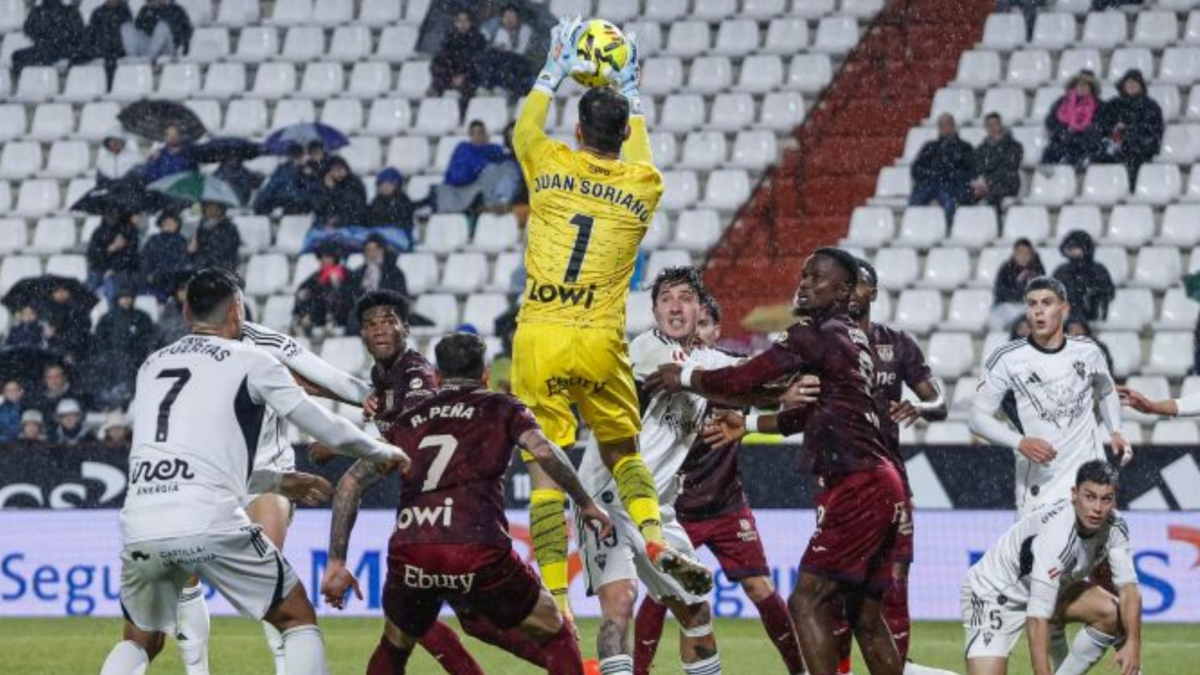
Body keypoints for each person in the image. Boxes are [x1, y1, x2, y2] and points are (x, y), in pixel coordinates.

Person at [96, 267, 408, 675]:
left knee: (139, 640)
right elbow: (319, 421)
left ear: (187, 311)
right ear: (238, 308)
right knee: (295, 616)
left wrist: (277, 480)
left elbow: (194, 452)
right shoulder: (253, 359)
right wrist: (382, 449)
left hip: (143, 516)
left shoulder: (153, 364)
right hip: (210, 507)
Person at [512, 19, 708, 625]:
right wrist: (633, 90)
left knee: (546, 464)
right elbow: (642, 150)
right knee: (625, 452)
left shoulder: (545, 162)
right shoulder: (642, 183)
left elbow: (525, 125)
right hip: (599, 337)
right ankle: (652, 536)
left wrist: (551, 67)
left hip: (542, 330)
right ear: (623, 133)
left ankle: (558, 596)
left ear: (575, 130)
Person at [646, 248, 908, 675]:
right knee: (865, 618)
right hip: (884, 482)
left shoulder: (816, 334)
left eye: (817, 279)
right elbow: (808, 410)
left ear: (842, 291)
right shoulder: (850, 338)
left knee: (806, 601)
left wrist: (686, 377)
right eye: (803, 276)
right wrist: (748, 424)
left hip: (858, 484)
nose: (804, 284)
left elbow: (746, 377)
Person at [322, 332, 609, 675]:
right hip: (477, 546)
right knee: (557, 634)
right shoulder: (501, 406)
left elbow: (351, 482)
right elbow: (544, 450)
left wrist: (337, 560)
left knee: (395, 645)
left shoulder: (409, 418)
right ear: (485, 374)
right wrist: (586, 503)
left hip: (415, 549)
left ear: (438, 377)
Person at [171, 311, 377, 675]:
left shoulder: (269, 344)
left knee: (266, 571)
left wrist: (372, 397)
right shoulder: (181, 355)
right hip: (210, 476)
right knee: (184, 572)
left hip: (268, 476)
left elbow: (328, 377)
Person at [633, 291, 805, 675]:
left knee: (760, 588)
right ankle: (639, 670)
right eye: (697, 325)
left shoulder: (736, 375)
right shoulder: (668, 375)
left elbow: (776, 393)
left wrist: (789, 391)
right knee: (662, 594)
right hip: (676, 507)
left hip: (726, 504)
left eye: (707, 325)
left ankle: (800, 669)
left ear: (716, 329)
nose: (699, 333)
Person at [575, 268, 733, 675]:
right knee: (620, 605)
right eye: (666, 298)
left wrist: (782, 387)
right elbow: (733, 382)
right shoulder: (642, 352)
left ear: (700, 309)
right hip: (605, 497)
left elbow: (743, 377)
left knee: (696, 612)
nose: (676, 306)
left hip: (657, 508)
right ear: (654, 310)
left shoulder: (709, 362)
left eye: (685, 297)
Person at [968, 276, 1131, 516]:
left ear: (1064, 309)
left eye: (1046, 303)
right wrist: (1020, 442)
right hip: (1039, 484)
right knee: (1037, 553)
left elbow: (1106, 391)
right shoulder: (1006, 359)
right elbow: (976, 418)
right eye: (1032, 304)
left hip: (1088, 479)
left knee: (1105, 552)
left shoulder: (1088, 351)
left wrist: (1115, 430)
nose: (1038, 311)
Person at [961, 460, 1141, 675]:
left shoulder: (1116, 527)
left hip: (1053, 589)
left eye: (1106, 499)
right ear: (1074, 494)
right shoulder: (1057, 536)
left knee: (1112, 612)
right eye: (1090, 496)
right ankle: (911, 670)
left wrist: (1133, 644)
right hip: (995, 594)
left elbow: (1129, 588)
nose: (1097, 508)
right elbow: (1037, 618)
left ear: (1114, 500)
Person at [90, 285, 156, 408]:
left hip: (136, 358)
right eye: (122, 298)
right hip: (111, 357)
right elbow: (99, 339)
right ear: (117, 300)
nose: (125, 300)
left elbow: (149, 337)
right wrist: (109, 352)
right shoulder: (107, 317)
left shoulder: (142, 317)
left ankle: (130, 399)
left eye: (128, 297)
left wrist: (137, 351)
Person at [1097, 69, 1164, 184]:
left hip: (1139, 150)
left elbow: (1153, 131)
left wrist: (1129, 135)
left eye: (1135, 83)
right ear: (1123, 86)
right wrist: (1112, 136)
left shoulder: (1150, 106)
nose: (1131, 86)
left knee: (1131, 162)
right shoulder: (1113, 104)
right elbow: (1101, 126)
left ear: (1141, 86)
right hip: (1113, 148)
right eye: (1128, 83)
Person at [909, 113, 973, 222]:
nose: (945, 128)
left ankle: (945, 229)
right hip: (930, 184)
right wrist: (930, 178)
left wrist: (949, 177)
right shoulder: (929, 147)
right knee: (915, 203)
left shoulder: (964, 148)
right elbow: (916, 169)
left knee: (949, 204)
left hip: (953, 186)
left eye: (947, 124)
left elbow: (969, 171)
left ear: (953, 126)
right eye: (941, 125)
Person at [435, 120, 507, 213]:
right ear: (470, 135)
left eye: (480, 132)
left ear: (485, 134)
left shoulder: (493, 149)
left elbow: (501, 164)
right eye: (473, 133)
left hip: (476, 186)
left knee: (492, 170)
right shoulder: (463, 147)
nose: (477, 136)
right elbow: (456, 171)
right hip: (454, 186)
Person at [1042, 72, 1104, 171]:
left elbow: (1101, 125)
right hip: (1064, 139)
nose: (1082, 87)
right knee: (1052, 150)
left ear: (1091, 89)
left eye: (1086, 85)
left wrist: (1085, 132)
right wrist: (1063, 131)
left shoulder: (1099, 105)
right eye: (1079, 85)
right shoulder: (1062, 102)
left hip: (1087, 142)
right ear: (1073, 87)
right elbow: (1050, 122)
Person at [11, 0, 87, 79]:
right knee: (17, 56)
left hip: (63, 49)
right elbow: (28, 29)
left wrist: (51, 38)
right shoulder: (37, 11)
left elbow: (78, 32)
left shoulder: (69, 11)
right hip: (48, 49)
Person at [1052, 230, 1115, 323]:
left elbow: (1107, 293)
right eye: (1070, 248)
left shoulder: (1098, 270)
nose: (1073, 251)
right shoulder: (1061, 271)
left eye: (1076, 247)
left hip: (1092, 318)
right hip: (1066, 321)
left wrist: (1089, 294)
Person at [293, 243, 354, 334]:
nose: (324, 260)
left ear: (334, 258)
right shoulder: (318, 275)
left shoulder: (345, 272)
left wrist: (335, 284)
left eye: (327, 257)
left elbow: (350, 292)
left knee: (330, 292)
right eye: (322, 257)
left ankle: (326, 320)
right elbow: (302, 288)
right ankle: (305, 319)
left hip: (340, 311)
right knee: (306, 294)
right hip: (319, 311)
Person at [430, 10, 486, 106]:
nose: (463, 24)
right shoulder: (450, 38)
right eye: (460, 21)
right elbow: (442, 59)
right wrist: (452, 77)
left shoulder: (479, 39)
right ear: (456, 23)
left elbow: (478, 62)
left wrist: (464, 76)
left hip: (470, 78)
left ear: (471, 22)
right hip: (451, 77)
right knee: (437, 77)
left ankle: (462, 117)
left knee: (468, 91)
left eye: (466, 21)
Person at [970, 113, 1023, 210]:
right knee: (964, 196)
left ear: (1001, 125)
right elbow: (976, 167)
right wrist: (978, 183)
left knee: (992, 198)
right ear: (985, 128)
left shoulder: (1014, 146)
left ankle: (995, 223)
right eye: (989, 125)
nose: (992, 128)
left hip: (1006, 183)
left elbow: (1008, 167)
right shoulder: (981, 149)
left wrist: (987, 181)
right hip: (985, 185)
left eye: (995, 124)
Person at [480, 4, 535, 96]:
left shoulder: (526, 30)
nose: (509, 20)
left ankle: (504, 88)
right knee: (491, 56)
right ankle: (488, 86)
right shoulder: (497, 30)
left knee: (505, 58)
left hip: (520, 65)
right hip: (500, 64)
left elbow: (522, 52)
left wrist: (505, 51)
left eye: (512, 17)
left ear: (518, 18)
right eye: (506, 17)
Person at [87, 211, 141, 305]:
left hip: (123, 270)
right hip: (100, 269)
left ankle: (114, 312)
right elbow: (92, 256)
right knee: (89, 288)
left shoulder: (130, 231)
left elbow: (131, 256)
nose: (112, 217)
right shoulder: (99, 232)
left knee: (112, 285)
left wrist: (114, 268)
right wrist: (110, 249)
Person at [990, 239, 1045, 330]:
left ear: (1031, 254)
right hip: (1009, 306)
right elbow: (1000, 291)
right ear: (1014, 253)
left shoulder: (1037, 269)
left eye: (1026, 253)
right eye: (1020, 253)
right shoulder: (1006, 268)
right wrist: (1018, 291)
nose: (1023, 256)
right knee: (995, 318)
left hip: (1029, 308)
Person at [253, 143, 319, 216]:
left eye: (298, 156)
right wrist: (260, 200)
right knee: (266, 205)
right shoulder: (283, 169)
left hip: (298, 202)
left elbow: (311, 189)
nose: (296, 159)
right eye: (294, 156)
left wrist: (308, 176)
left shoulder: (308, 169)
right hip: (281, 200)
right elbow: (271, 186)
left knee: (296, 207)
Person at [41, 280, 92, 367]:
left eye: (63, 291)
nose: (60, 294)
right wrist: (49, 336)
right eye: (56, 291)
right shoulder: (49, 312)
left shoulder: (78, 310)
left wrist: (68, 352)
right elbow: (48, 339)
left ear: (69, 292)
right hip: (57, 352)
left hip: (75, 352)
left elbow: (79, 334)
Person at [363, 168, 417, 250]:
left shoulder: (403, 200)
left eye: (389, 184)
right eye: (382, 184)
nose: (385, 187)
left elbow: (403, 222)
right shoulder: (376, 201)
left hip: (400, 235)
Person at [141, 212, 189, 300]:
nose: (169, 225)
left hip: (173, 281)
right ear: (161, 224)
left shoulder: (182, 241)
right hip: (153, 280)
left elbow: (182, 262)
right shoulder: (153, 240)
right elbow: (145, 259)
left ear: (177, 225)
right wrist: (148, 274)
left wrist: (164, 274)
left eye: (172, 222)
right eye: (166, 222)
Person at [85, 0, 133, 88]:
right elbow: (91, 35)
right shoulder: (97, 13)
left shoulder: (124, 12)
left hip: (119, 52)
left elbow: (127, 34)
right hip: (102, 51)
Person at [122, 0, 192, 60]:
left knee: (162, 27)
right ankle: (133, 60)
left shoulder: (177, 10)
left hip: (168, 49)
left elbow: (186, 32)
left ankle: (150, 59)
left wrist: (182, 48)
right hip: (148, 46)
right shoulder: (146, 10)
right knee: (126, 27)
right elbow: (138, 30)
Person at [348, 234, 408, 305]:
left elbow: (399, 296)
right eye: (368, 249)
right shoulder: (358, 272)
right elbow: (351, 294)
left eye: (375, 249)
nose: (371, 253)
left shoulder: (394, 273)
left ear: (382, 250)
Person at [311, 156, 367, 229]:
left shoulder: (353, 182)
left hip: (352, 222)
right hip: (327, 224)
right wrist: (326, 189)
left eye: (341, 169)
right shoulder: (323, 185)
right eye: (335, 170)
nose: (339, 172)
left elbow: (353, 204)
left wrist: (333, 190)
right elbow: (319, 207)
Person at [188, 202, 241, 273]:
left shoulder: (228, 227)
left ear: (222, 210)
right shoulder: (201, 226)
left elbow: (227, 248)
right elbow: (196, 246)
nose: (211, 212)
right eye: (209, 208)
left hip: (223, 269)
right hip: (202, 268)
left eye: (216, 209)